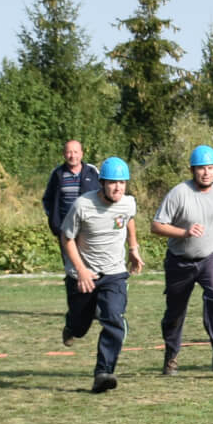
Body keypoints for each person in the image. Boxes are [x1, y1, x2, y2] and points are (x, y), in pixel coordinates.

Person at [151, 144, 213, 375]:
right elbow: (157, 226)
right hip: (180, 261)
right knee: (175, 312)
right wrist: (184, 232)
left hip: (210, 257)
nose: (206, 173)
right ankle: (171, 356)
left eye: (210, 168)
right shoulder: (179, 193)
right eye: (201, 168)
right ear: (192, 170)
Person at [59, 157, 143, 393]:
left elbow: (129, 220)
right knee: (80, 325)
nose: (118, 188)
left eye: (122, 183)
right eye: (113, 183)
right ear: (102, 183)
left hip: (114, 273)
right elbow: (67, 238)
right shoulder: (83, 206)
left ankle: (103, 372)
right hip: (83, 276)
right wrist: (81, 270)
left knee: (114, 318)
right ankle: (71, 327)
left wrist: (133, 249)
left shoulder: (128, 203)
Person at [42, 139, 101, 311]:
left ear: (81, 153)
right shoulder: (57, 174)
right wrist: (55, 220)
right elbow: (47, 200)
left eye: (75, 152)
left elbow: (102, 196)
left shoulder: (93, 172)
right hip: (66, 232)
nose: (72, 155)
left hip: (88, 230)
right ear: (64, 154)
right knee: (73, 269)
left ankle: (96, 306)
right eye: (69, 152)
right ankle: (77, 308)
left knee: (92, 265)